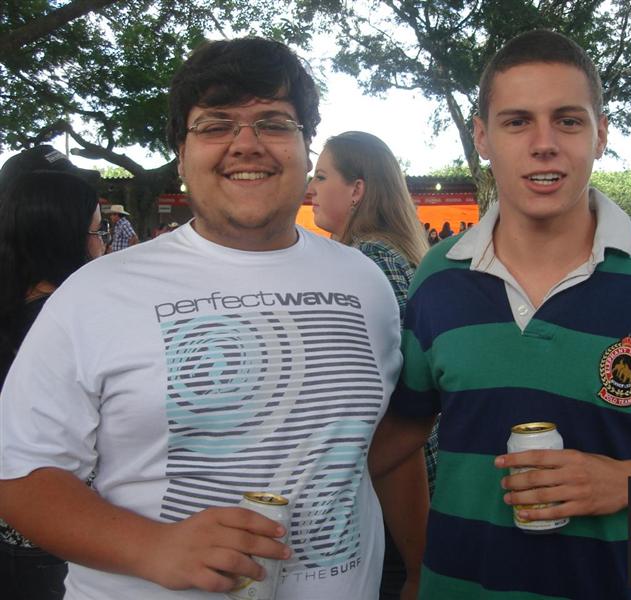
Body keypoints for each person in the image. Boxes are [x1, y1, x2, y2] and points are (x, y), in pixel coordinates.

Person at [0, 37, 417, 600]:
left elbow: (372, 444)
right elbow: (21, 476)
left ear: (305, 147)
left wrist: (419, 566)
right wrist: (151, 546)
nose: (246, 144)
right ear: (181, 154)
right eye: (216, 125)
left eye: (274, 123)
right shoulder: (95, 293)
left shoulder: (364, 283)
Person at [369, 29, 631, 600]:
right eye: (517, 121)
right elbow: (402, 433)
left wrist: (623, 482)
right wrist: (414, 561)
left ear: (601, 135)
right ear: (482, 136)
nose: (544, 144)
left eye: (569, 120)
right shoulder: (438, 278)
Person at [305, 130, 433, 599]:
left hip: (393, 490)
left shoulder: (368, 261)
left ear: (357, 189)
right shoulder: (383, 255)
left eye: (322, 176)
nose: (311, 188)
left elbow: (391, 401)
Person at [0, 161, 106, 600]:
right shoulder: (68, 322)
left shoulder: (14, 308)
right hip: (57, 535)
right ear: (64, 240)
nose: (103, 243)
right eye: (97, 231)